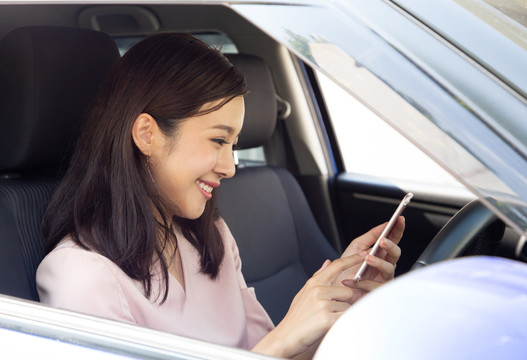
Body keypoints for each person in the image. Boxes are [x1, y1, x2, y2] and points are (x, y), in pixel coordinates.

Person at [36, 33, 404, 359]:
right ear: (147, 134)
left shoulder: (209, 237)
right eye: (217, 140)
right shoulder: (81, 278)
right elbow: (271, 350)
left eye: (234, 146)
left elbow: (274, 353)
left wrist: (339, 306)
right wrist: (286, 333)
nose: (229, 167)